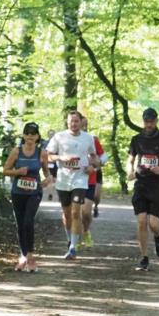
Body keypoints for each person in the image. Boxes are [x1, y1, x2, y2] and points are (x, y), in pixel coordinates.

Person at [46, 110, 98, 260]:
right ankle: (70, 239)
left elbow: (94, 157)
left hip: (80, 179)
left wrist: (92, 167)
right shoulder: (59, 137)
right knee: (67, 214)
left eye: (76, 121)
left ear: (81, 122)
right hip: (63, 179)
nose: (73, 124)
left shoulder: (88, 138)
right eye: (70, 121)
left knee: (76, 212)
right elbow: (48, 155)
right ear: (67, 122)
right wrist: (61, 157)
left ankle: (73, 248)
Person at [127, 107, 159, 271]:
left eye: (152, 121)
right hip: (141, 183)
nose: (149, 124)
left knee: (153, 223)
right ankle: (144, 257)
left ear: (156, 121)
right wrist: (130, 172)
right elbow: (130, 159)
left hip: (157, 185)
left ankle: (158, 236)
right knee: (141, 221)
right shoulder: (136, 139)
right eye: (146, 121)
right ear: (143, 121)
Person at [2, 122, 52, 272]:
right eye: (27, 134)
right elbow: (5, 170)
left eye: (33, 134)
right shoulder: (16, 151)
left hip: (34, 192)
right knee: (20, 224)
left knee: (28, 221)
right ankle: (22, 256)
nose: (30, 137)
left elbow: (46, 172)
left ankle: (30, 255)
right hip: (18, 192)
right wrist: (17, 172)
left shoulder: (42, 153)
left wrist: (48, 179)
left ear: (37, 137)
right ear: (23, 136)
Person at [79, 115, 109, 248]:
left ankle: (86, 231)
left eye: (86, 125)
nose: (84, 127)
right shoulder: (66, 139)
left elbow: (104, 156)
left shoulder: (92, 139)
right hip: (72, 180)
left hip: (90, 178)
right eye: (82, 124)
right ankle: (74, 239)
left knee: (86, 212)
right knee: (74, 212)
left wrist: (98, 163)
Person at [44, 129, 58, 201]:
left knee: (51, 179)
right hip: (52, 163)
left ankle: (50, 193)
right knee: (53, 179)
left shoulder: (45, 143)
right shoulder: (57, 143)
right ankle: (51, 193)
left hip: (53, 163)